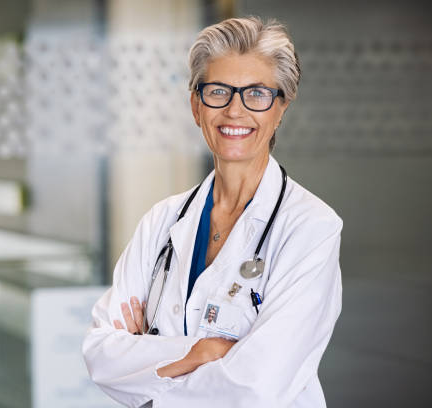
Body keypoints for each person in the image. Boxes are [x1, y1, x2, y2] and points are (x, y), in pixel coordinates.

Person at [82, 16, 342, 408]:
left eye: (256, 94)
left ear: (281, 108)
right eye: (219, 91)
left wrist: (151, 362)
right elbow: (101, 355)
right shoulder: (163, 220)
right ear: (196, 106)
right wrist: (202, 352)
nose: (235, 111)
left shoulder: (310, 228)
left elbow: (258, 387)